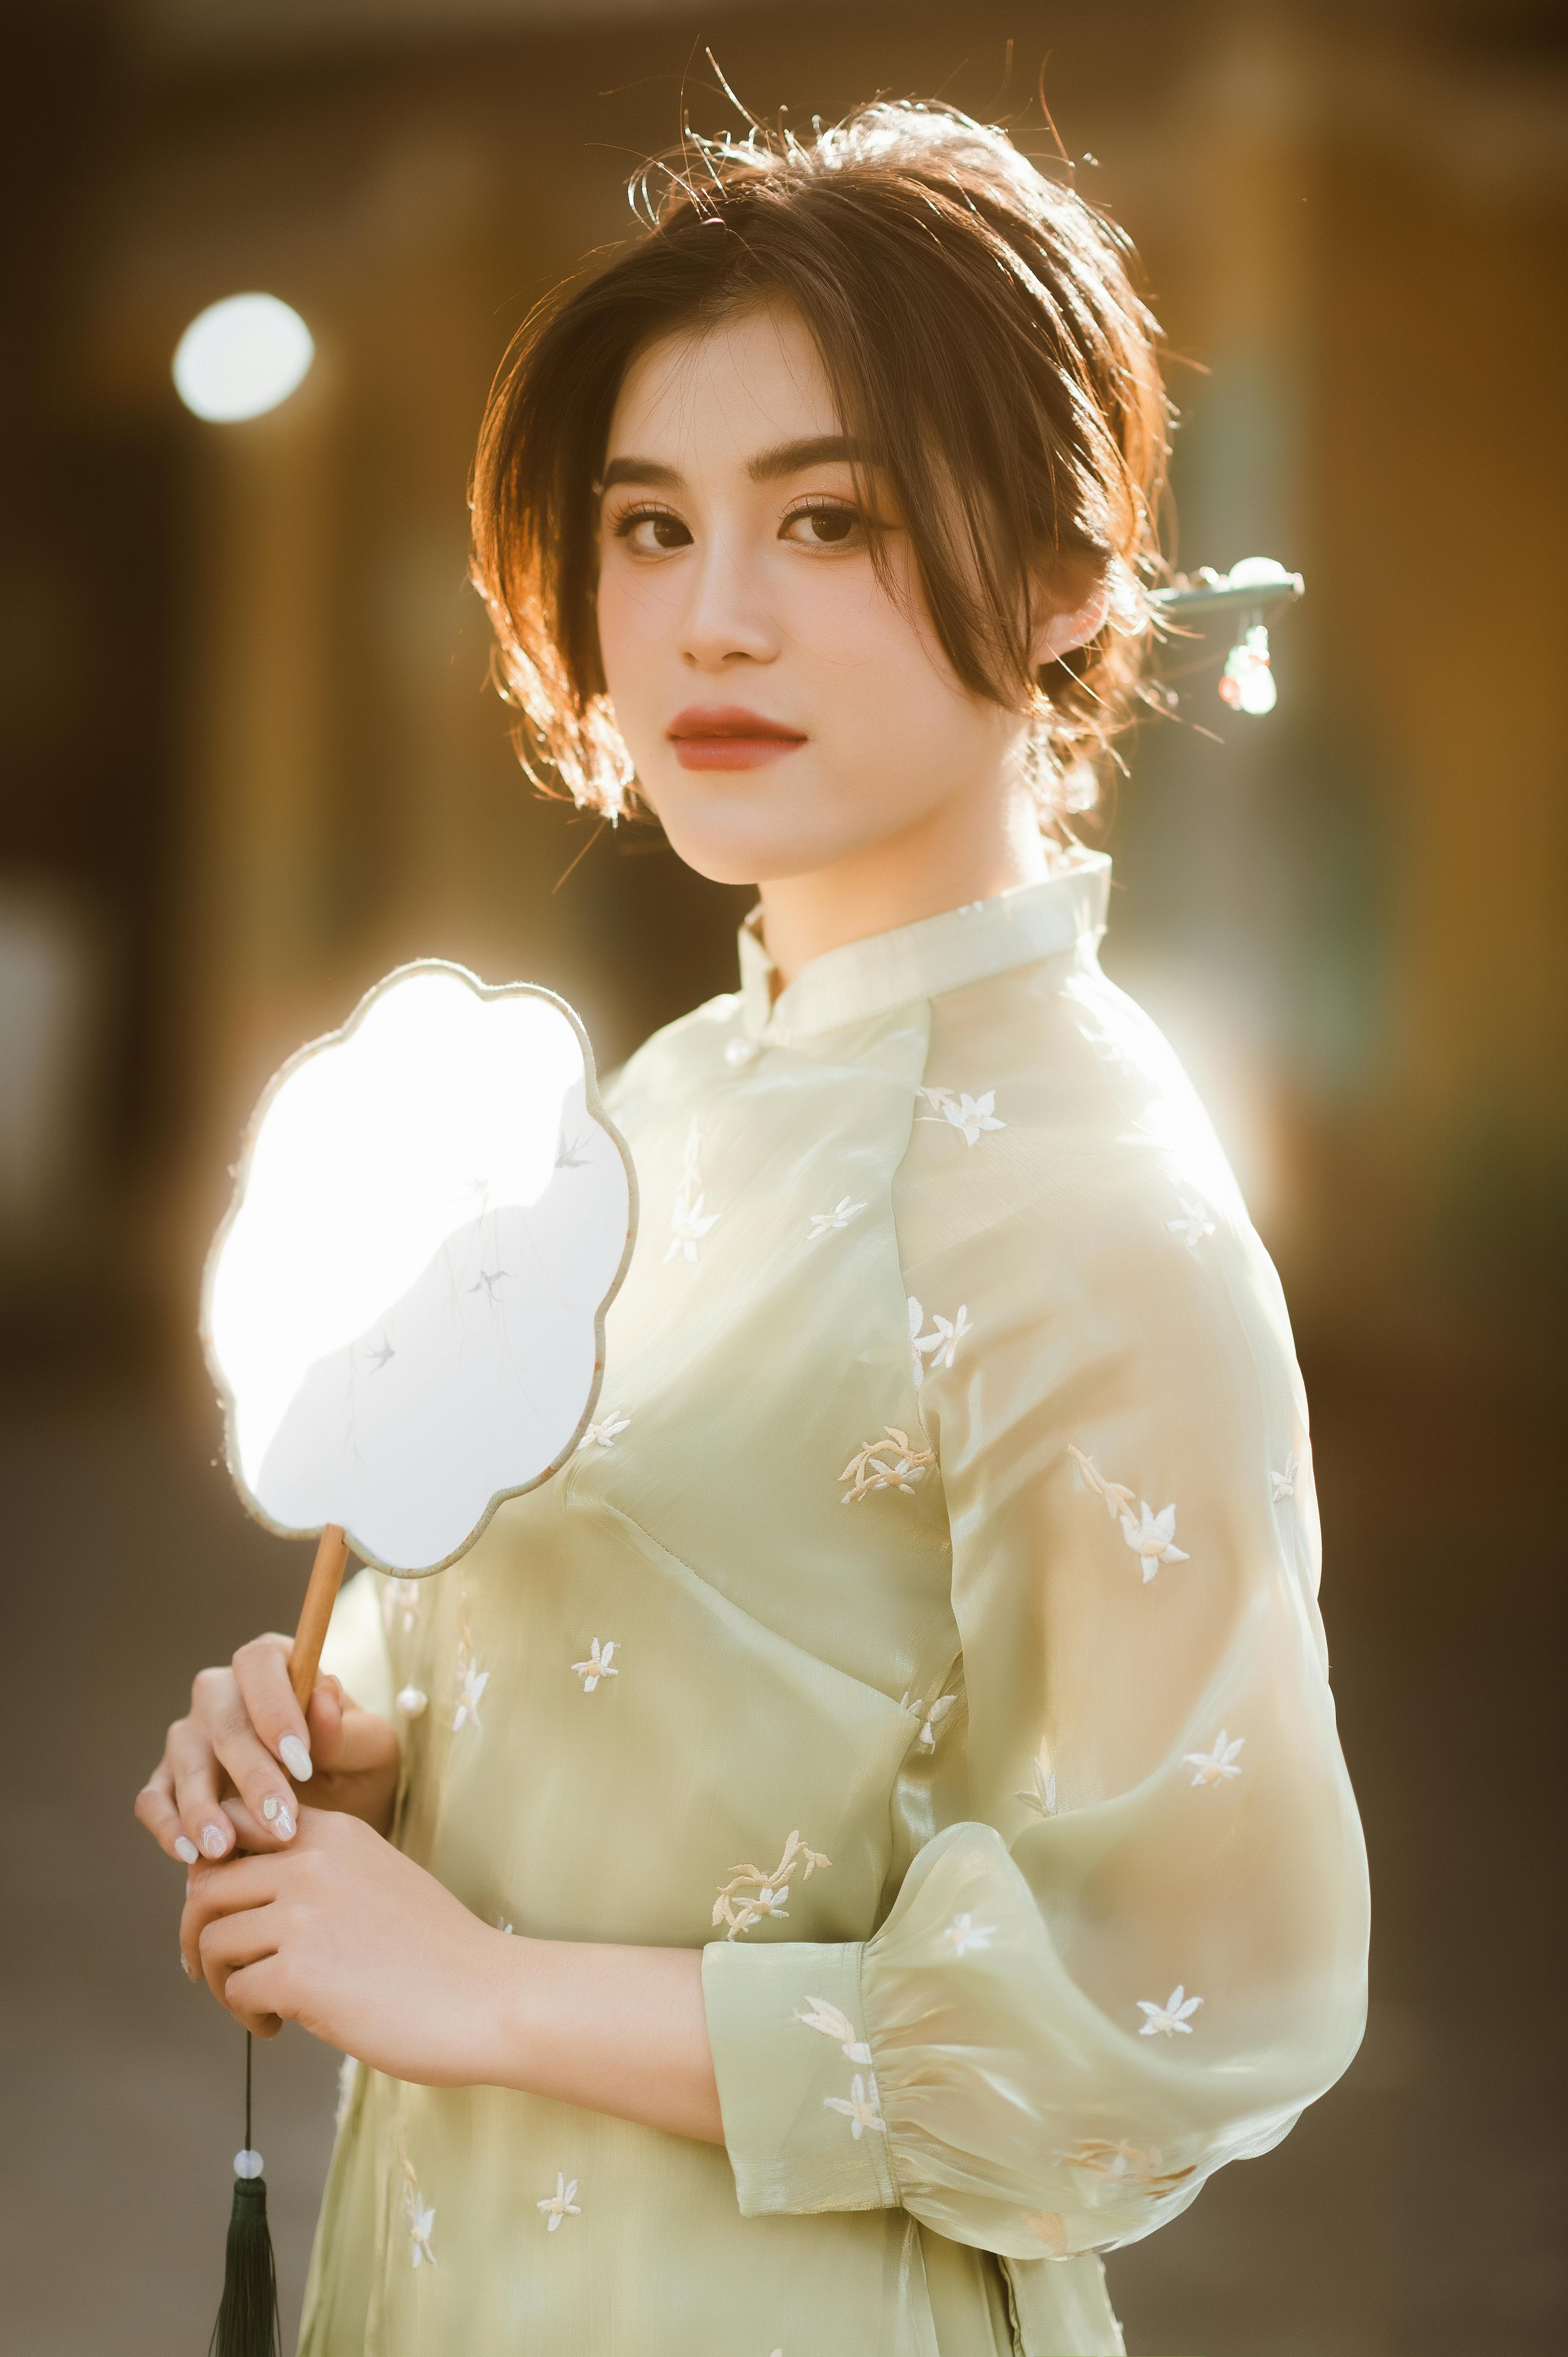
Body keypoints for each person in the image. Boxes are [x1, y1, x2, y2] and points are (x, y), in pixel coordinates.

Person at [135, 101, 1369, 2356]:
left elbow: (1183, 2008)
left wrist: (492, 1993)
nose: (707, 619)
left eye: (828, 520)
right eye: (648, 525)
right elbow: (689, 1687)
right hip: (445, 2279)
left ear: (1074, 567)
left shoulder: (1085, 1199)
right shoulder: (668, 1098)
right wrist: (377, 1756)